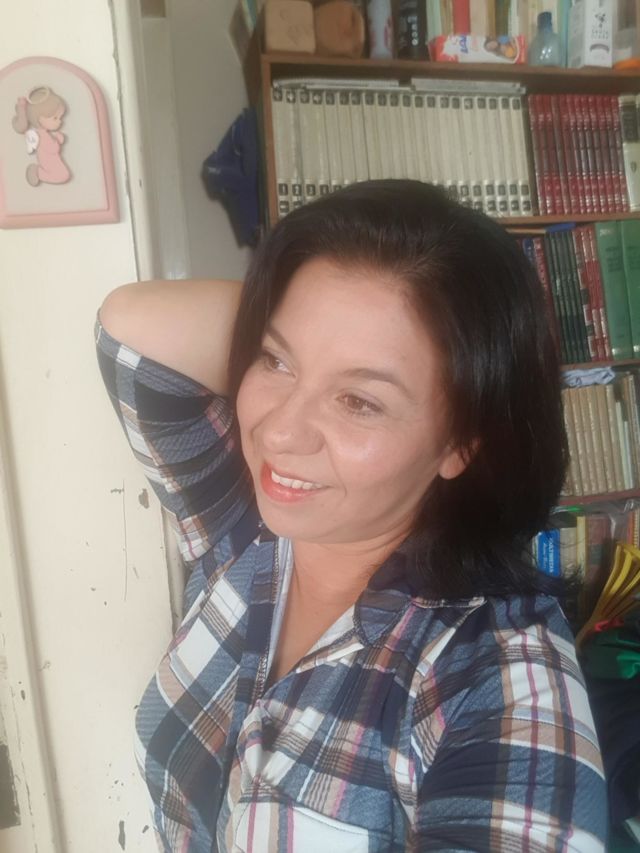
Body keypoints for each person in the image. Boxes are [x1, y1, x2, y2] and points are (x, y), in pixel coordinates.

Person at [96, 180, 607, 852]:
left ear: (460, 443)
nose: (279, 431)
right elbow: (129, 328)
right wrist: (315, 312)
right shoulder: (245, 527)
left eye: (359, 402)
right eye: (274, 360)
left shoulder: (495, 684)